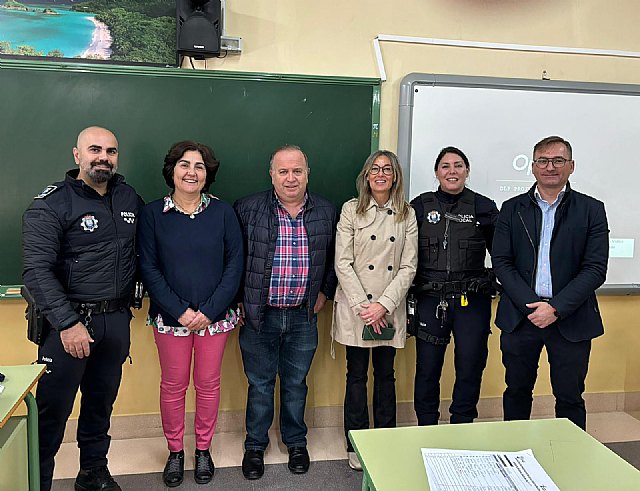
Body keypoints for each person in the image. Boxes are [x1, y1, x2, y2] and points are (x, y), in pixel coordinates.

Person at [22, 126, 142, 491]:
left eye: (110, 150)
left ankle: (93, 473)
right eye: (94, 149)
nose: (103, 157)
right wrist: (68, 324)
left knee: (100, 404)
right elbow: (36, 272)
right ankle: (34, 481)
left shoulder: (127, 197)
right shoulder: (52, 203)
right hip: (68, 327)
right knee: (52, 412)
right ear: (77, 155)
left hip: (115, 321)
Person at [137, 141, 244, 487]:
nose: (191, 172)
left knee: (208, 385)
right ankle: (175, 452)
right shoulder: (153, 214)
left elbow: (235, 266)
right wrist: (181, 311)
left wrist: (210, 311)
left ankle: (202, 450)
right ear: (172, 170)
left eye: (199, 166)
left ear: (207, 174)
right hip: (171, 320)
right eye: (184, 165)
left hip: (216, 318)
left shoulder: (224, 213)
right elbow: (149, 268)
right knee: (173, 385)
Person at [233, 144, 337, 480]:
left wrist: (325, 291)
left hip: (302, 316)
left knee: (295, 383)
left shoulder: (325, 210)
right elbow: (232, 260)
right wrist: (239, 300)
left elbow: (338, 257)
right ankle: (255, 445)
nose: (290, 178)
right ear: (272, 175)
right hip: (259, 315)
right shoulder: (247, 209)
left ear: (308, 174)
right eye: (283, 171)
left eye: (297, 171)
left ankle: (295, 442)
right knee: (260, 384)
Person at [492, 136, 609, 430]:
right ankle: (514, 457)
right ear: (533, 167)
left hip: (570, 319)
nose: (550, 167)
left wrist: (554, 308)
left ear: (571, 166)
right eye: (543, 161)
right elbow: (502, 262)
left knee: (569, 397)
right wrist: (532, 306)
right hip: (521, 317)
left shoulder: (591, 209)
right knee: (517, 392)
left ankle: (570, 464)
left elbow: (595, 269)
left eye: (558, 160)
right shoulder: (511, 208)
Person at [332, 150, 418, 470]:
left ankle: (385, 437)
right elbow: (343, 261)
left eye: (387, 169)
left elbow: (408, 266)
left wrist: (383, 305)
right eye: (374, 169)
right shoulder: (351, 210)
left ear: (395, 176)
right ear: (366, 175)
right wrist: (363, 306)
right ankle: (355, 442)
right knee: (356, 376)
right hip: (357, 309)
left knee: (385, 375)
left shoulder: (405, 214)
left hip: (388, 307)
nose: (380, 174)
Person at [410, 146, 499, 426]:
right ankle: (426, 426)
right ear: (437, 172)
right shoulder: (420, 206)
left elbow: (503, 254)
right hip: (430, 299)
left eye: (458, 165)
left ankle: (462, 424)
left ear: (467, 171)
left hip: (471, 301)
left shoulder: (483, 206)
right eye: (446, 166)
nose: (452, 171)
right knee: (427, 369)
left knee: (470, 366)